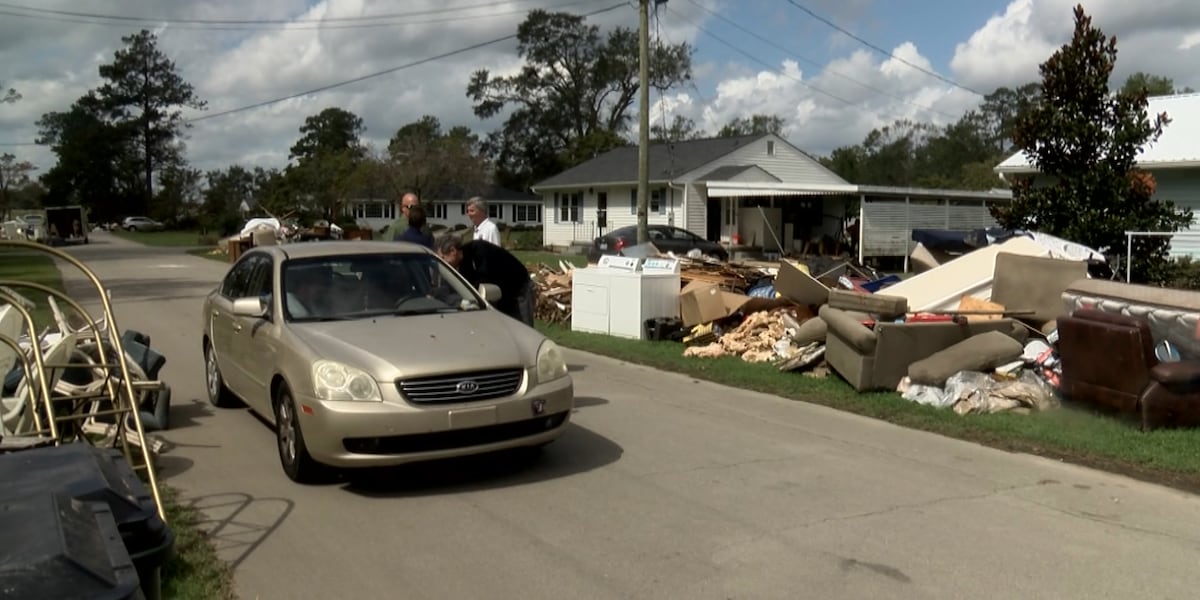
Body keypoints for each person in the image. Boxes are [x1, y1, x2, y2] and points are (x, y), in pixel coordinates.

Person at [436, 236, 534, 327]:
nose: (443, 263)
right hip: (501, 294)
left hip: (519, 288)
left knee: (523, 327)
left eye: (443, 258)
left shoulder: (478, 251)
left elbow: (483, 282)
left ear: (453, 251)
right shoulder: (460, 264)